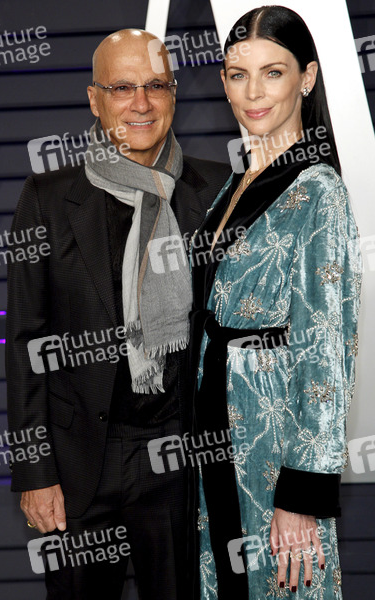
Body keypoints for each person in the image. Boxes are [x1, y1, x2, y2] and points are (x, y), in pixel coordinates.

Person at [5, 29, 231, 600]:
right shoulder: (47, 198)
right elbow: (25, 344)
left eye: (156, 85)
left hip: (180, 461)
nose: (141, 103)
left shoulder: (214, 191)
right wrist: (35, 472)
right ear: (94, 99)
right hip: (79, 465)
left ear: (174, 94)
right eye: (122, 87)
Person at [188, 6, 361, 599]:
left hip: (273, 443)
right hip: (219, 433)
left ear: (306, 78)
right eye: (239, 75)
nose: (254, 93)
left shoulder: (319, 191)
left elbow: (327, 353)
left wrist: (301, 497)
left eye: (273, 72)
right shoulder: (233, 186)